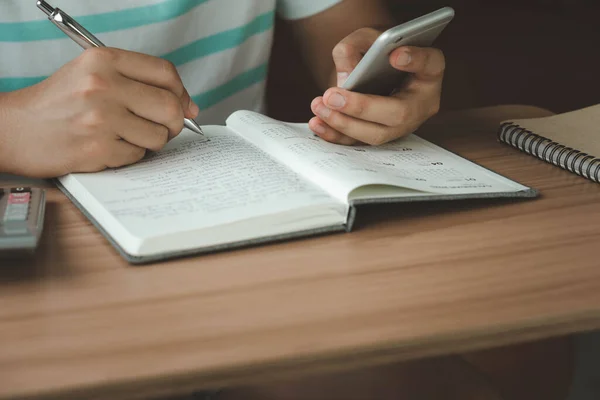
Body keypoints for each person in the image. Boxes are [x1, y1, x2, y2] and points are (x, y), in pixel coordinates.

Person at [0, 1, 574, 399]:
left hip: (253, 252)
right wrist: (10, 128)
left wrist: (374, 80)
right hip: (43, 262)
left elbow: (351, 35)